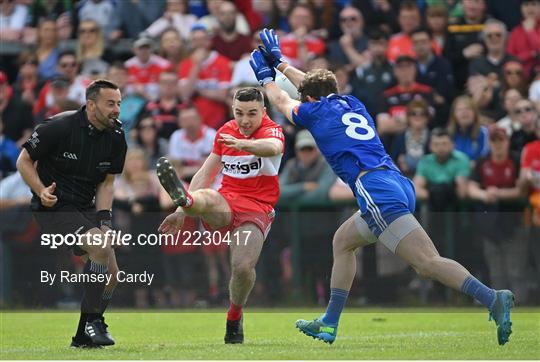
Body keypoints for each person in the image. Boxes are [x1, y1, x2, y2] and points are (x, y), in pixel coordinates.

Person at [250, 28, 514, 346]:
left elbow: (280, 99)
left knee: (426, 262)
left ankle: (492, 298)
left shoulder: (313, 112)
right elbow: (311, 86)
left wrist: (265, 78)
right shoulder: (353, 103)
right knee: (343, 241)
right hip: (396, 182)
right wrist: (279, 61)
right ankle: (329, 323)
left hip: (375, 189)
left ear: (309, 98)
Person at [157, 87, 284, 344]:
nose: (245, 119)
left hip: (258, 208)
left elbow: (272, 147)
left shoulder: (271, 130)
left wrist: (244, 143)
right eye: (239, 113)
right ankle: (185, 200)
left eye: (251, 113)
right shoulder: (225, 131)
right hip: (227, 199)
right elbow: (205, 173)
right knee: (209, 196)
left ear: (263, 112)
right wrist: (181, 212)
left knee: (242, 268)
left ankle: (234, 316)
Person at [16, 79, 127, 347]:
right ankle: (93, 322)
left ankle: (82, 337)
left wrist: (104, 221)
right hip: (52, 207)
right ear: (91, 104)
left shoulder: (116, 136)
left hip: (86, 207)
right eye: (110, 104)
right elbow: (24, 160)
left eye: (119, 104)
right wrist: (41, 190)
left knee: (112, 274)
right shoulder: (59, 126)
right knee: (100, 248)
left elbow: (107, 183)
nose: (116, 110)